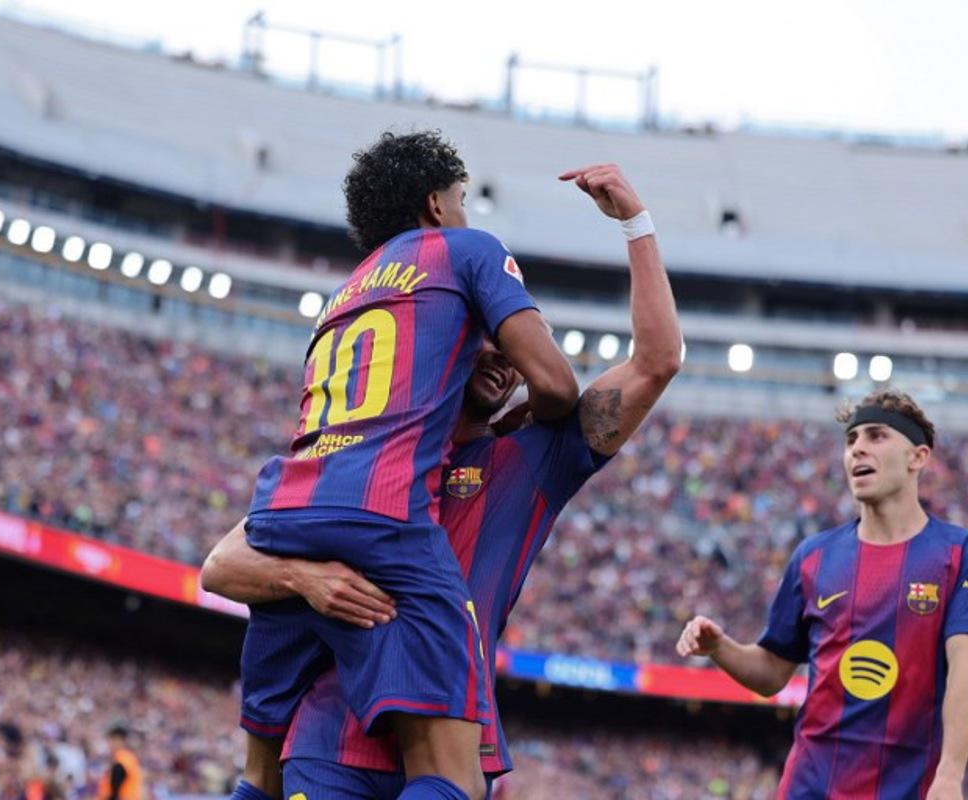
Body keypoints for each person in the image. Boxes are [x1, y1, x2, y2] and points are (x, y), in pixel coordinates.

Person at [205, 163, 679, 799]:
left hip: (452, 735)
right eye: (486, 333)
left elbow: (656, 362)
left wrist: (636, 226)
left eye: (512, 345)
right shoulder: (359, 456)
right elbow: (224, 564)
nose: (502, 355)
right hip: (331, 743)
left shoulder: (536, 455)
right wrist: (306, 580)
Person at [237, 130, 581, 800]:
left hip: (285, 512)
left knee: (259, 770)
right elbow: (561, 387)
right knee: (456, 772)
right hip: (386, 512)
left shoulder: (342, 295)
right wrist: (529, 409)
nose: (467, 214)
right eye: (462, 200)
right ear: (436, 205)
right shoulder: (467, 251)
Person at [676, 390, 968, 800]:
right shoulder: (813, 558)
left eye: (876, 436)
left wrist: (950, 775)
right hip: (809, 786)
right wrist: (720, 647)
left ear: (917, 457)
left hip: (909, 789)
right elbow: (772, 673)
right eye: (851, 441)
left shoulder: (964, 554)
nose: (858, 449)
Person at [96, 726, 145, 800]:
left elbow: (115, 789)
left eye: (111, 740)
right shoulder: (127, 758)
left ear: (119, 740)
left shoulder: (123, 759)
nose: (109, 744)